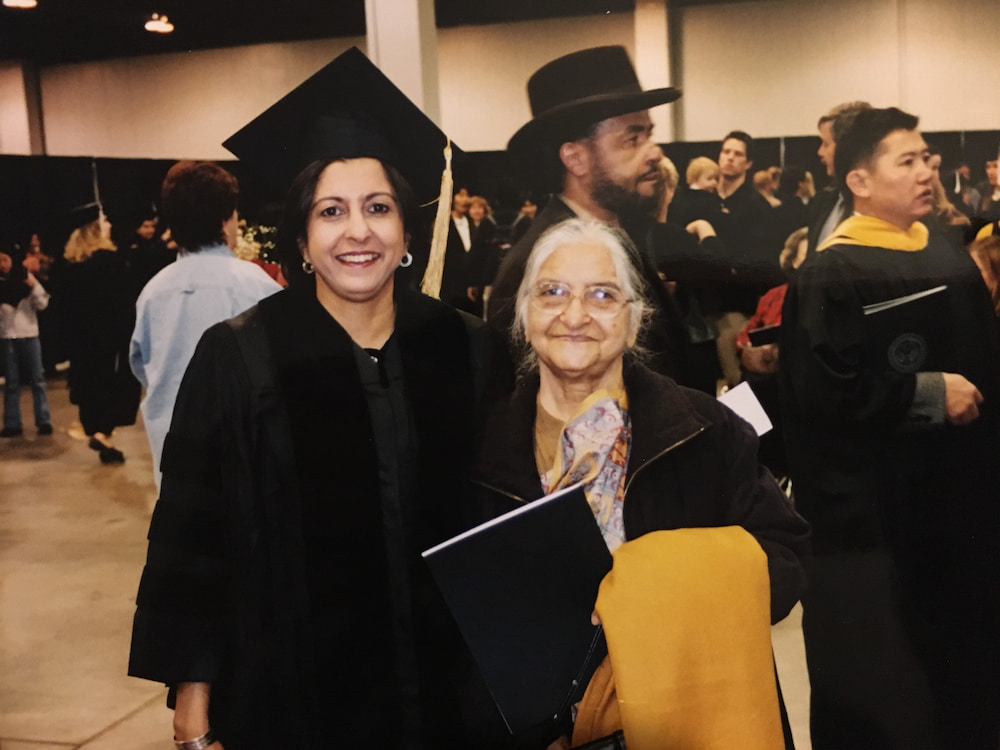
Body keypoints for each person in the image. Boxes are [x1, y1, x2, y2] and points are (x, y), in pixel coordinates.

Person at [128, 47, 513, 750]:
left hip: (455, 690)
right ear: (302, 239)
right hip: (296, 695)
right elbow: (194, 528)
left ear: (405, 230)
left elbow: (506, 515)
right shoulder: (240, 355)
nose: (357, 231)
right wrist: (193, 689)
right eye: (331, 211)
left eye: (378, 208)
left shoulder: (465, 347)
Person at [472, 218, 809, 747]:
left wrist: (655, 582)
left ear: (633, 323)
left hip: (687, 719)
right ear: (524, 314)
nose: (574, 315)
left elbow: (785, 557)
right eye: (552, 292)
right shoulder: (479, 446)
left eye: (603, 295)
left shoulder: (704, 431)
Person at [779, 107, 1000, 749]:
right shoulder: (831, 272)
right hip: (880, 524)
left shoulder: (943, 252)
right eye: (907, 161)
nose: (926, 172)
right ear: (860, 181)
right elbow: (823, 395)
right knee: (894, 688)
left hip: (958, 509)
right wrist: (925, 395)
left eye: (926, 158)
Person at [489, 45, 692, 387]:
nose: (654, 152)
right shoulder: (535, 266)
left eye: (649, 134)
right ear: (576, 159)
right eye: (632, 139)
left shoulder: (621, 237)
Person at [129, 161, 281, 487]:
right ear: (226, 220)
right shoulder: (258, 286)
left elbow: (142, 365)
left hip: (174, 454)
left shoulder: (154, 291)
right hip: (245, 457)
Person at [61, 206, 141, 464]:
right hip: (110, 339)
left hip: (81, 342)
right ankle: (104, 434)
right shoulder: (110, 262)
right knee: (115, 387)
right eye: (104, 220)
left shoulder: (71, 266)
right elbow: (123, 303)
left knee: (91, 389)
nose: (109, 224)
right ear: (94, 229)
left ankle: (102, 434)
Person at [0, 248, 52, 437]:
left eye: (5, 259)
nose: (2, 265)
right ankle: (12, 423)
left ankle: (44, 420)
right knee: (12, 383)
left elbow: (42, 304)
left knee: (37, 380)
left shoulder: (24, 278)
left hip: (29, 334)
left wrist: (32, 287)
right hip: (7, 336)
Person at [808, 101, 872, 255]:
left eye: (825, 144)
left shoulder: (883, 207)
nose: (819, 152)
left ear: (847, 148)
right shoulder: (823, 202)